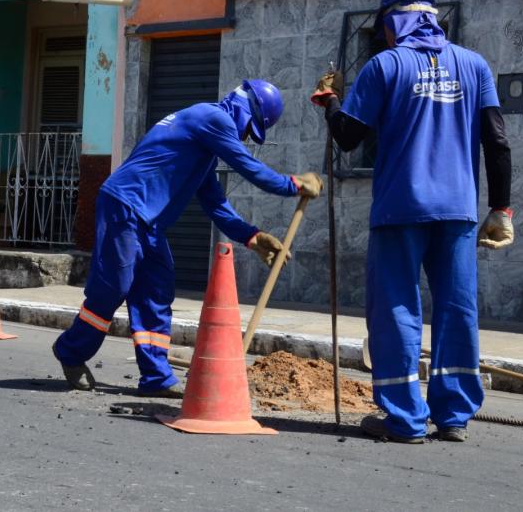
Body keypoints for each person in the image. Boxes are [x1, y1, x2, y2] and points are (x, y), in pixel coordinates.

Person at [311, 0, 513, 443]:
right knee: (457, 309)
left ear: (392, 25)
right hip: (458, 211)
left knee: (398, 309)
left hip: (400, 208)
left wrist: (330, 101)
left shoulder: (384, 66)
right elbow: (497, 143)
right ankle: (454, 416)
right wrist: (501, 208)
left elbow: (347, 138)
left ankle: (403, 418)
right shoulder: (475, 65)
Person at [53, 79, 324, 397]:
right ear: (244, 110)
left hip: (149, 223)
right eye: (250, 129)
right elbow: (249, 167)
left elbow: (215, 203)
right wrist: (292, 184)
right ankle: (70, 352)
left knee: (156, 292)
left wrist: (251, 237)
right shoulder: (212, 118)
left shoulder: (203, 144)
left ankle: (156, 377)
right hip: (124, 206)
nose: (246, 137)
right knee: (113, 287)